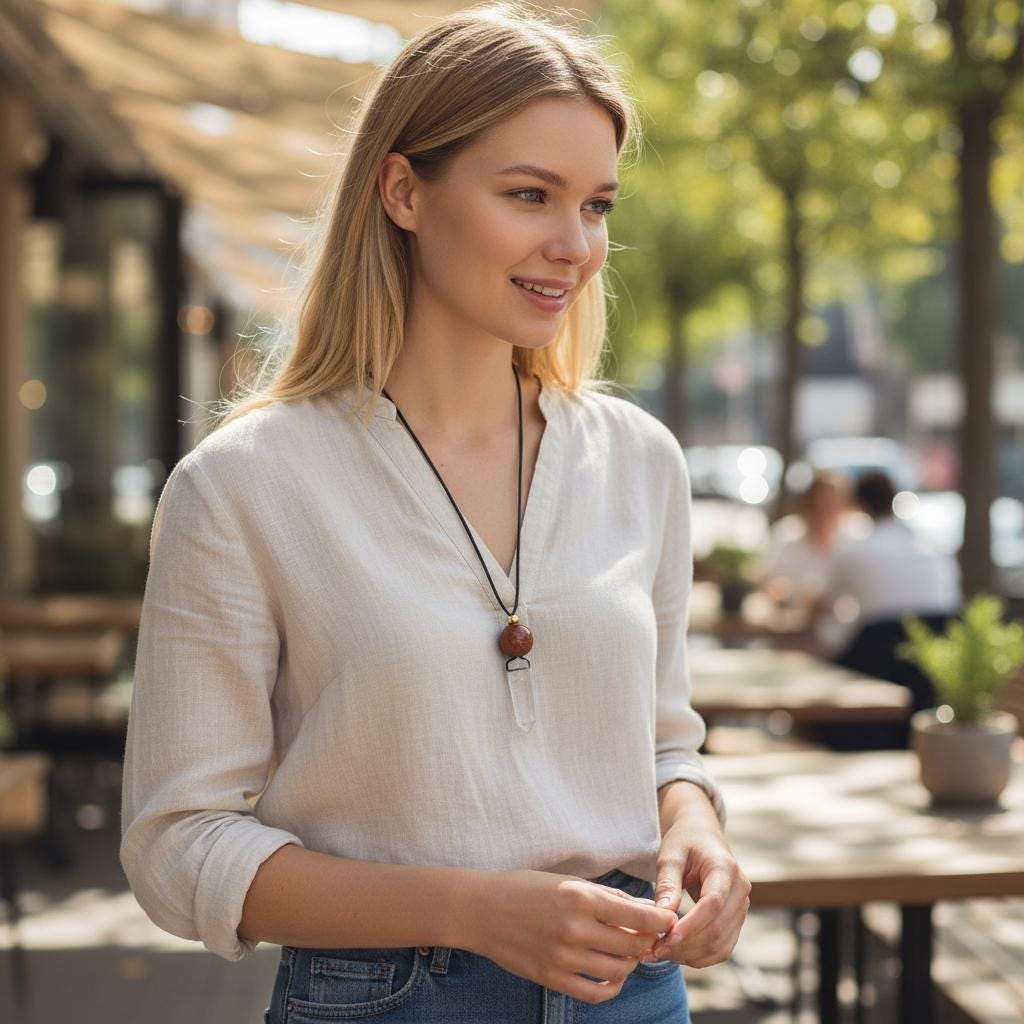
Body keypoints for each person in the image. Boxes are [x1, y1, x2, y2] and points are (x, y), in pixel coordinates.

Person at [118, 5, 750, 1021]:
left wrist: (696, 827)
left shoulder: (639, 463)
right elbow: (177, 842)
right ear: (403, 189)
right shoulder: (242, 486)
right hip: (388, 999)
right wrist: (469, 910)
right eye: (528, 195)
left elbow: (665, 747)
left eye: (594, 205)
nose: (574, 244)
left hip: (634, 990)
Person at [809, 470, 963, 748]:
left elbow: (821, 606)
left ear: (858, 505)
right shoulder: (931, 544)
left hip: (881, 652)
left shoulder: (856, 549)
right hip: (937, 652)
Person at [755, 471, 855, 617]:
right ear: (808, 505)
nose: (823, 512)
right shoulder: (787, 533)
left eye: (830, 505)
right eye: (818, 505)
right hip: (790, 625)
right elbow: (766, 582)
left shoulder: (856, 538)